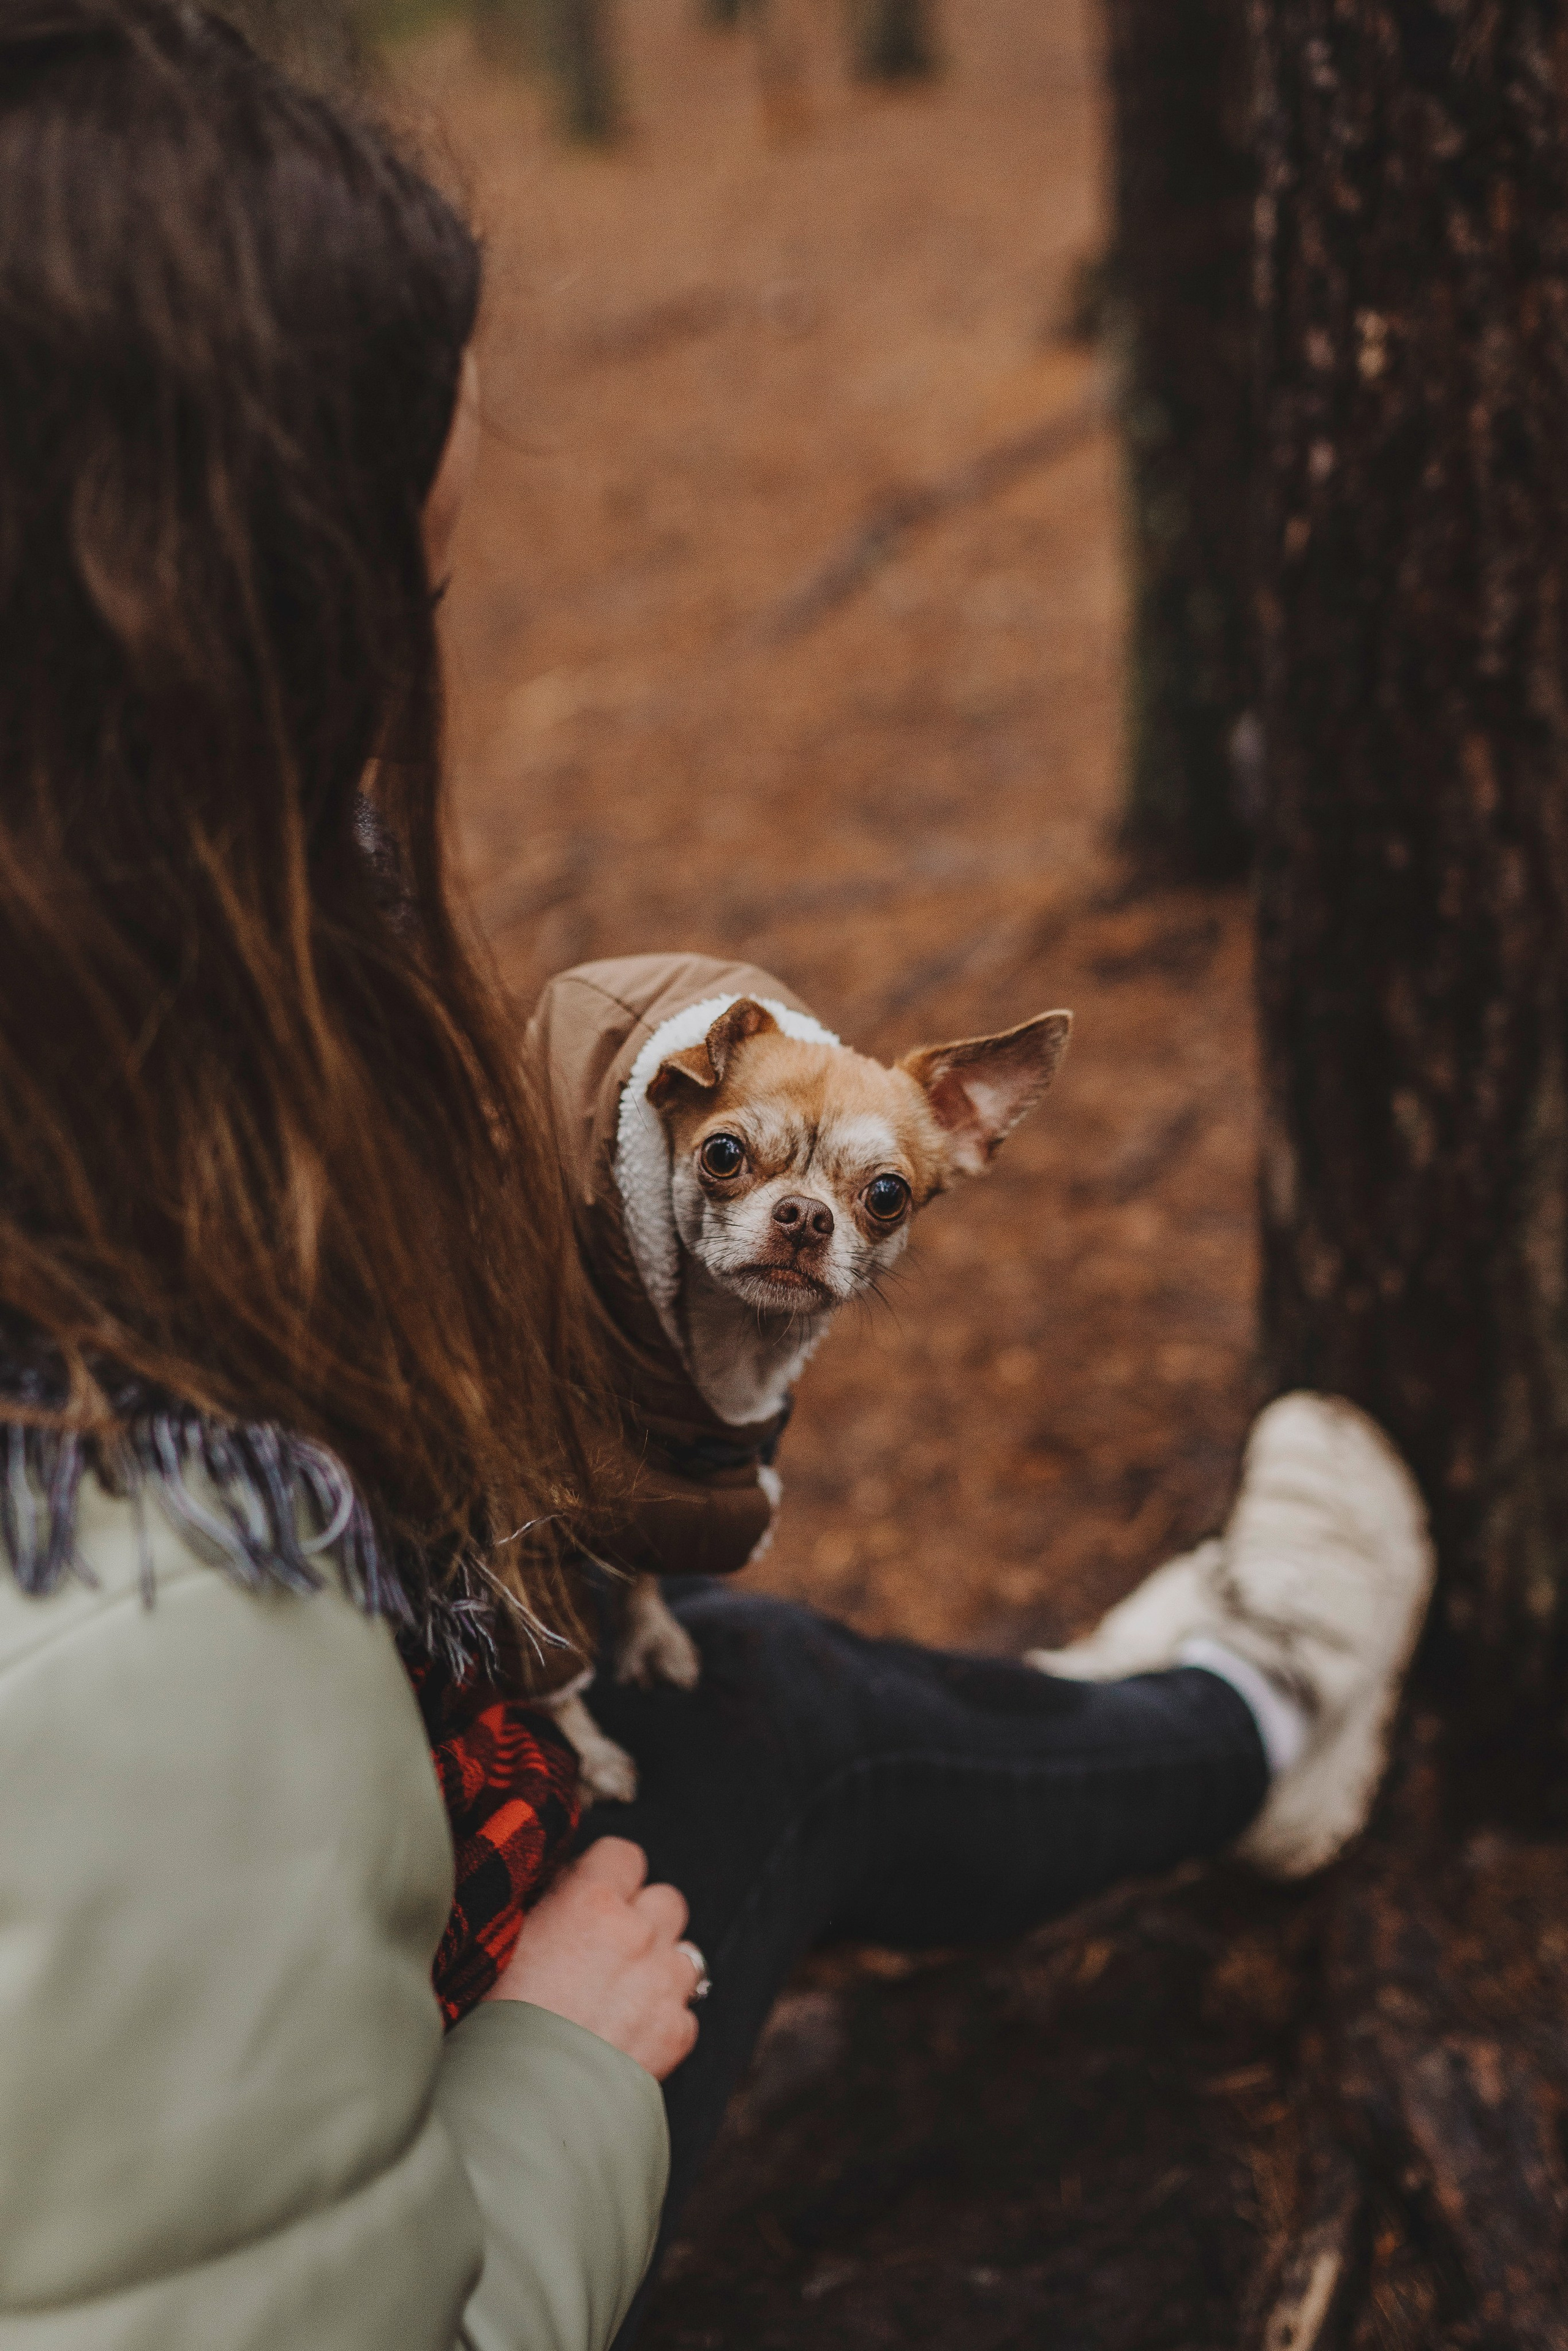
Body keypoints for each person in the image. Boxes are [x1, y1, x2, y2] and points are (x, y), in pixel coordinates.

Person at [0, 9, 1434, 2350]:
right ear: (195, 690)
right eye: (399, 628)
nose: (385, 795)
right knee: (782, 1721)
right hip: (479, 2059)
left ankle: (1184, 1711)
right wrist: (552, 2080)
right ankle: (1257, 1713)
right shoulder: (148, 1624)